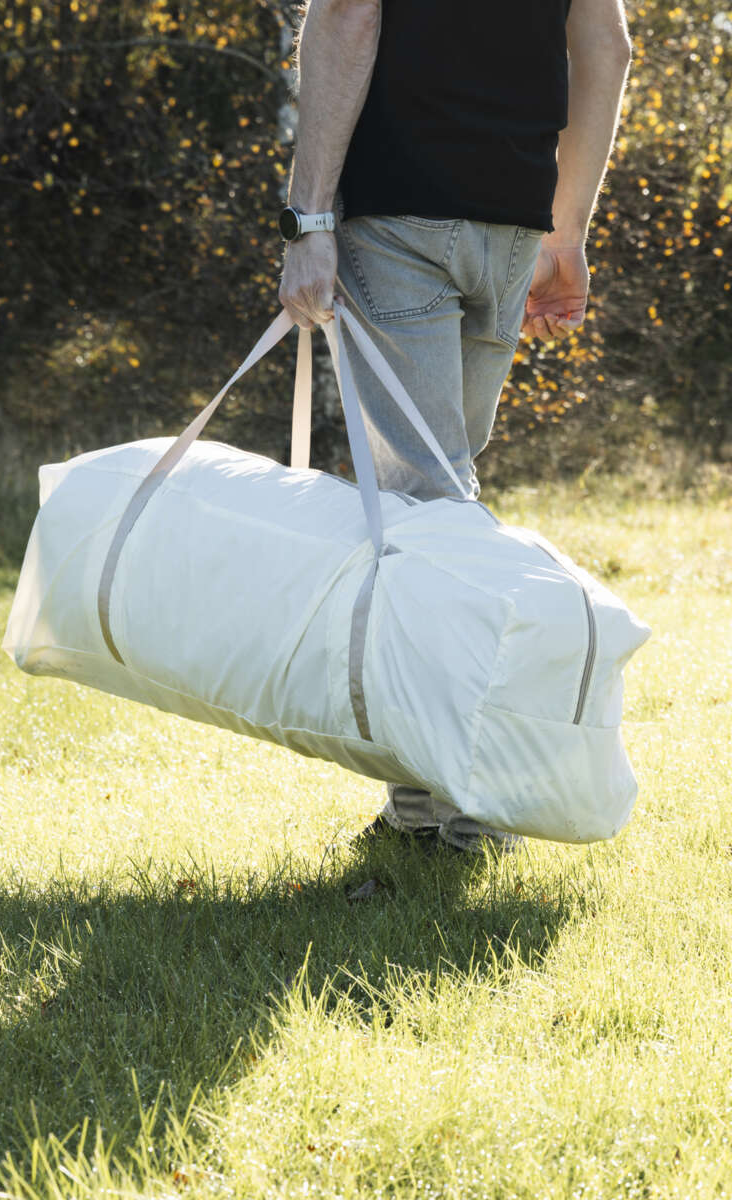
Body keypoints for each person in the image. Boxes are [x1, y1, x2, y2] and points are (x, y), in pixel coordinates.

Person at [277, 0, 633, 852]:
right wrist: (568, 224)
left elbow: (350, 16)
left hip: (400, 212)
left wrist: (309, 219)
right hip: (510, 223)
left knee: (426, 507)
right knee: (436, 503)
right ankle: (421, 805)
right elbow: (608, 47)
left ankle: (472, 802)